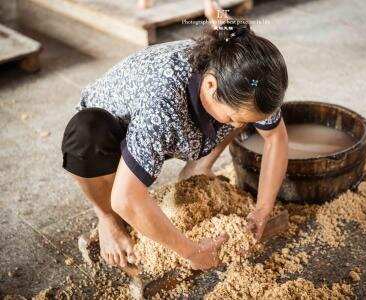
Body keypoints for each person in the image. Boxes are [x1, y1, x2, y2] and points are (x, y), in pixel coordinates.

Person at [60, 13, 289, 271]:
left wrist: (262, 208)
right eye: (234, 118)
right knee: (87, 133)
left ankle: (199, 166)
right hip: (107, 130)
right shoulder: (164, 102)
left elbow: (275, 137)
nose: (238, 126)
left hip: (178, 122)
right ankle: (106, 219)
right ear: (211, 85)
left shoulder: (251, 80)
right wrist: (191, 251)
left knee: (240, 117)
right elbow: (125, 198)